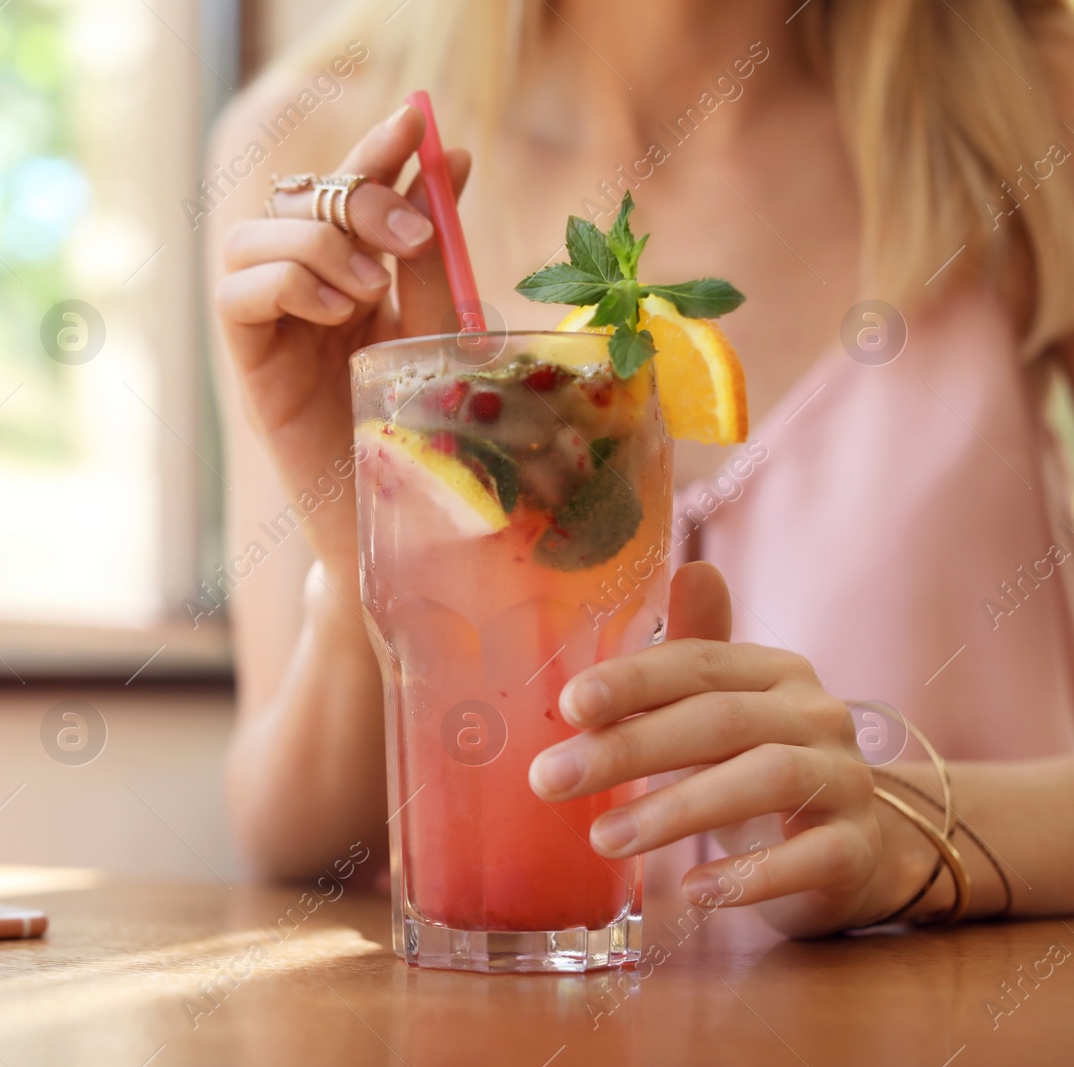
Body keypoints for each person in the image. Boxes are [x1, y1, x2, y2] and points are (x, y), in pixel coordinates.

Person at [205, 0, 1074, 937]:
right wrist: (368, 542)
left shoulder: (1030, 104)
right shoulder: (316, 143)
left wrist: (910, 835)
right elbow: (295, 843)